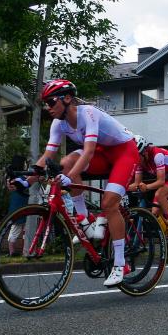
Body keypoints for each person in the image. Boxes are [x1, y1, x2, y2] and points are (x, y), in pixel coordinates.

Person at [28, 79, 139, 287]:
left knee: (108, 204)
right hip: (102, 153)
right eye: (45, 103)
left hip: (124, 152)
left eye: (51, 102)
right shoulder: (58, 123)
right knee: (66, 161)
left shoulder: (88, 113)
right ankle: (84, 219)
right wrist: (25, 181)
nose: (47, 108)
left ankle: (120, 264)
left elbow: (87, 152)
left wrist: (70, 178)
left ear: (67, 98)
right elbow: (46, 156)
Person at [128, 136, 168, 244]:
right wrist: (121, 187)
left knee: (160, 194)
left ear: (144, 152)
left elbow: (160, 182)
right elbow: (137, 183)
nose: (136, 160)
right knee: (154, 212)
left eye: (138, 156)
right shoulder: (140, 161)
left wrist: (146, 187)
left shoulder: (157, 155)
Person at [5, 155, 30, 257]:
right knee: (26, 230)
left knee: (15, 229)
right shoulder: (22, 178)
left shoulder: (11, 178)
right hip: (24, 205)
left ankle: (12, 251)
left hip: (15, 205)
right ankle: (24, 251)